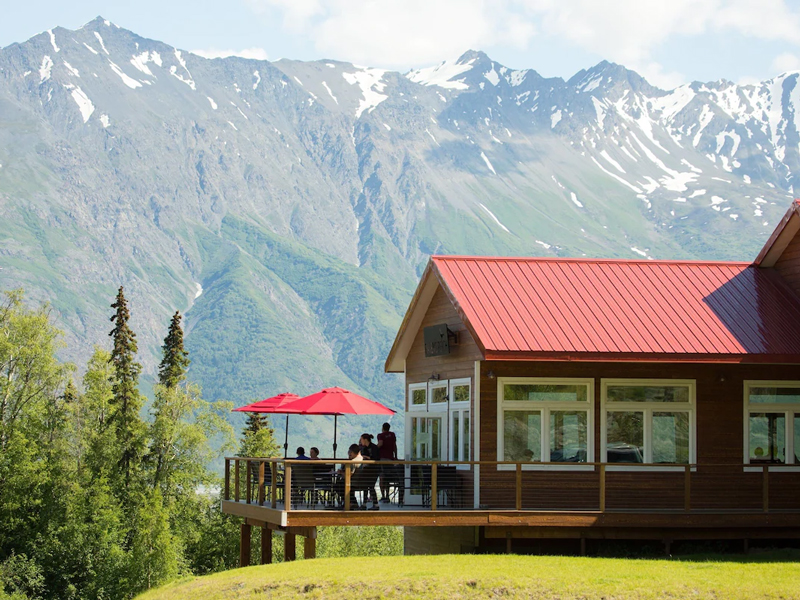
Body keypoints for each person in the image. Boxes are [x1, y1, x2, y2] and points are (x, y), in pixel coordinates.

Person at [377, 422, 398, 503]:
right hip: (390, 459)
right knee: (388, 477)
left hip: (382, 459)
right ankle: (387, 495)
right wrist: (395, 456)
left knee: (382, 477)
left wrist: (375, 449)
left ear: (383, 428)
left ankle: (383, 496)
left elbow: (380, 443)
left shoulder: (380, 435)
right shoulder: (392, 435)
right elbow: (394, 445)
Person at [359, 434, 380, 509]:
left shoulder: (374, 447)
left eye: (361, 439)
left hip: (374, 470)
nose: (361, 441)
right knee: (365, 486)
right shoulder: (364, 448)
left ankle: (376, 504)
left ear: (365, 439)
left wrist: (366, 457)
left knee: (371, 486)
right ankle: (364, 504)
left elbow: (376, 458)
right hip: (367, 469)